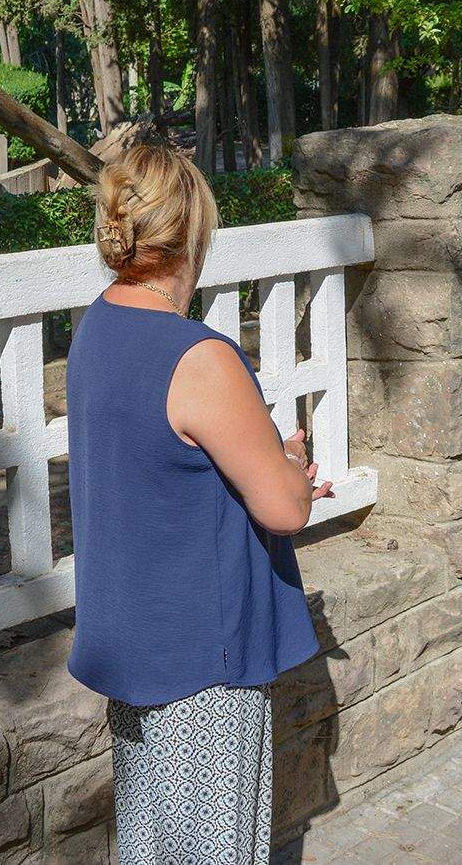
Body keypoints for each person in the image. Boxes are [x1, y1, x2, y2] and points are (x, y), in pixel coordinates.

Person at [66, 140, 331, 865]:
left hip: (133, 641)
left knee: (151, 848)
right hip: (200, 661)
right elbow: (285, 509)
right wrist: (292, 465)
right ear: (194, 234)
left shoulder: (96, 327)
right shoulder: (198, 355)